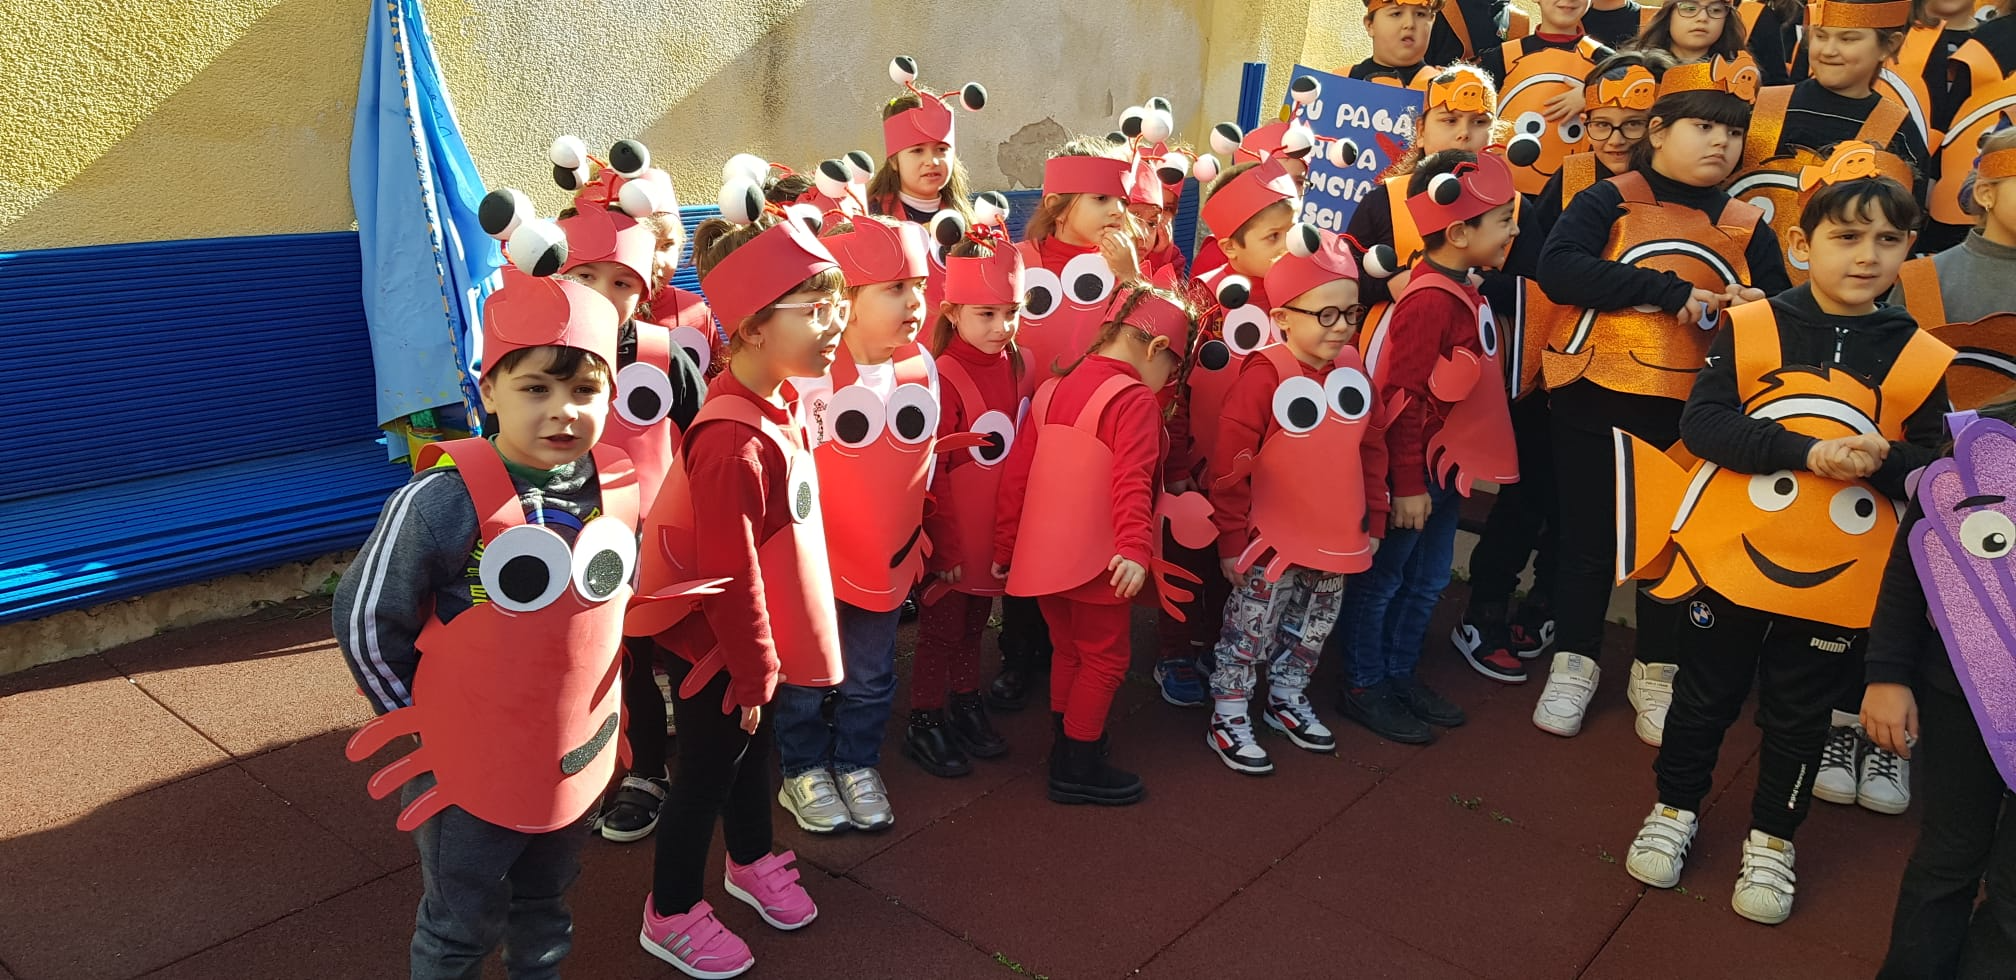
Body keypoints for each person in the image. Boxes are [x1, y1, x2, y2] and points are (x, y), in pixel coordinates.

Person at [1619, 147, 1951, 926]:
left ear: (1910, 248)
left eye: (1888, 240)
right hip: (1733, 559)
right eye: (1847, 237)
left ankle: (1773, 836)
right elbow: (1705, 425)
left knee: (1802, 714)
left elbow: (1936, 466)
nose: (1867, 256)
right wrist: (1806, 451)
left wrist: (1886, 459)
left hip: (1840, 577)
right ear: (1803, 243)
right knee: (1704, 696)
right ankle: (1674, 807)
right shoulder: (1754, 324)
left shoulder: (1920, 351)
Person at [334, 201, 634, 979]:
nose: (563, 411)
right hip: (471, 759)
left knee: (548, 901)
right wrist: (423, 723)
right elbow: (367, 617)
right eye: (535, 388)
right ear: (488, 389)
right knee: (460, 921)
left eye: (585, 390)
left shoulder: (614, 489)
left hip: (569, 749)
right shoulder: (443, 499)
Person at [1528, 55, 1788, 745]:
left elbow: (1785, 312)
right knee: (1586, 540)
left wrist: (1757, 306)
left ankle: (1657, 668)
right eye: (1704, 126)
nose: (1720, 142)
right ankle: (1575, 661)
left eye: (1733, 132)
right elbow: (1559, 268)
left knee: (1673, 544)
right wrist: (1670, 292)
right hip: (1594, 393)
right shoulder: (1607, 198)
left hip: (1693, 412)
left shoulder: (1747, 222)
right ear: (1660, 130)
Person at [630, 189, 847, 977]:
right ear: (753, 327)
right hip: (717, 648)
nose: (836, 325)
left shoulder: (775, 399)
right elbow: (730, 574)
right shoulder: (732, 441)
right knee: (706, 773)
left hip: (748, 643)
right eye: (816, 311)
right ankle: (670, 910)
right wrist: (754, 672)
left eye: (839, 306)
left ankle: (750, 859)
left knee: (752, 756)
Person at [1458, 52, 1667, 684]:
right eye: (1600, 124)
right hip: (1552, 371)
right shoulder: (1573, 175)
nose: (1614, 140)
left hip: (1633, 378)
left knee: (1580, 511)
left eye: (1631, 125)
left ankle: (1545, 606)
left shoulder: (1670, 191)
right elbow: (1533, 271)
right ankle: (1484, 609)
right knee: (1526, 494)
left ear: (1657, 127)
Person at [550, 153, 711, 845]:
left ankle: (669, 768)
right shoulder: (538, 359)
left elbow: (705, 445)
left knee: (663, 655)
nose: (600, 293)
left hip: (658, 544)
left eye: (620, 281)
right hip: (573, 539)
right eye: (584, 276)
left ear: (645, 287)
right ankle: (614, 764)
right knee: (601, 661)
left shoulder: (665, 355)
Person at [1336, 150, 1521, 744]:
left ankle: (1399, 673)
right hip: (1416, 475)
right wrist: (1408, 484)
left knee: (1428, 581)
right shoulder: (1428, 300)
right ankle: (1362, 682)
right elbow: (1402, 397)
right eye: (1504, 220)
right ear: (1460, 231)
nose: (1514, 231)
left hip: (1444, 474)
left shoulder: (1464, 288)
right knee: (1386, 581)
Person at [994, 282, 1199, 806]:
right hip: (1098, 559)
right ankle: (1077, 761)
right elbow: (1132, 478)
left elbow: (1018, 475)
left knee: (1068, 649)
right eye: (1173, 370)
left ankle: (1068, 740)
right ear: (1157, 348)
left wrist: (1005, 545)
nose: (1168, 383)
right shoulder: (1133, 399)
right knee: (1105, 660)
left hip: (1041, 556)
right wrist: (1134, 548)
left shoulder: (1054, 387)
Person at [768, 214, 939, 833]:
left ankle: (857, 763)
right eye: (895, 288)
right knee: (805, 673)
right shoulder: (807, 375)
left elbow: (922, 464)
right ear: (847, 301)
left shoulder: (920, 367)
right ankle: (802, 769)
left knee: (871, 673)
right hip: (813, 561)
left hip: (885, 557)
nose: (914, 302)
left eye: (919, 286)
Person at [1204, 224, 1390, 773]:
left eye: (1351, 313)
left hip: (1337, 535)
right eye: (1325, 314)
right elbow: (1230, 466)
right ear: (1283, 317)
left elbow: (1372, 448)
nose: (1342, 327)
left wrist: (1374, 519)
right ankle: (1229, 711)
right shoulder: (1264, 376)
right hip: (1270, 542)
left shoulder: (1353, 369)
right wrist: (1231, 538)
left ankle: (1286, 696)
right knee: (1249, 627)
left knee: (1314, 624)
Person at [1867, 400, 2016, 978]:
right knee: (1948, 859)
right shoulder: (1986, 442)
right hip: (1965, 695)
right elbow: (1914, 565)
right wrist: (1888, 674)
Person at [1156, 157, 1301, 709]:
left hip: (1265, 468)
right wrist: (1177, 467)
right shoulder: (1204, 301)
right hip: (1200, 464)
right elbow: (1177, 388)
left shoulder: (1305, 297)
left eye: (1293, 230)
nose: (1288, 246)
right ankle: (1174, 651)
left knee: (1237, 567)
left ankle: (1218, 646)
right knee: (1188, 557)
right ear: (1231, 248)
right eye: (1272, 237)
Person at [905, 229, 1029, 778]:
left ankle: (964, 697)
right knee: (940, 629)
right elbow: (933, 473)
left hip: (994, 531)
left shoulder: (1013, 362)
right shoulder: (943, 376)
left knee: (977, 620)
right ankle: (924, 717)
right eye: (987, 314)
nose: (1002, 327)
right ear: (953, 313)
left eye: (1011, 312)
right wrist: (945, 546)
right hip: (955, 538)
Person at [1729, 0, 1934, 280]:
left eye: (1848, 39)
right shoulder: (1761, 108)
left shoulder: (1899, 132)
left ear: (1889, 45)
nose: (1828, 50)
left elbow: (1900, 232)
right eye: (1820, 36)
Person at [1349, 65, 1506, 306]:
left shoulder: (1513, 207)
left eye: (1479, 121)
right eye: (1450, 120)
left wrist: (1485, 284)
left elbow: (1537, 289)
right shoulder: (1383, 201)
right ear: (1421, 131)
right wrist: (1387, 284)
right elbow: (1344, 274)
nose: (1464, 133)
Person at [1478, 0, 1615, 195]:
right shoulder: (1500, 58)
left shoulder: (1608, 63)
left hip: (1575, 189)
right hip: (1508, 187)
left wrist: (1593, 95)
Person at [1346, 0, 1443, 89]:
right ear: (1370, 25)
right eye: (1396, 14)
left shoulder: (1444, 89)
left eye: (1420, 14)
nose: (1410, 24)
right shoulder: (1342, 80)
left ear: (1432, 21)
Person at [1626, 0, 1750, 65]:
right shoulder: (1635, 72)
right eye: (1689, 8)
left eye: (1715, 10)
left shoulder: (1740, 78)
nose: (1702, 18)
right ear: (1668, 15)